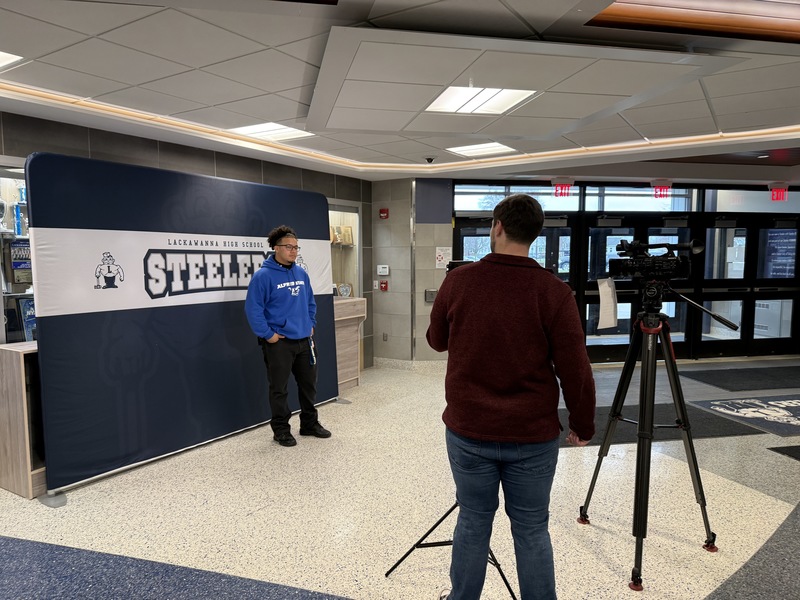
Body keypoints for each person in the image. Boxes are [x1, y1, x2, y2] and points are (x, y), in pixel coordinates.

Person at [426, 194, 595, 600]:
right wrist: (582, 424)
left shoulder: (459, 281)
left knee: (472, 522)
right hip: (532, 434)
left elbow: (436, 340)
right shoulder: (554, 292)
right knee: (532, 528)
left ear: (497, 227)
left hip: (469, 430)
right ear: (534, 234)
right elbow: (575, 369)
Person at [245, 225, 331, 447]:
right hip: (279, 343)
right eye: (289, 247)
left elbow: (310, 302)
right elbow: (253, 309)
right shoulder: (263, 276)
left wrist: (311, 323)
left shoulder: (301, 273)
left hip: (305, 341)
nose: (294, 251)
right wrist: (268, 335)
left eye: (296, 247)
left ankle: (309, 424)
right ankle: (281, 430)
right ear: (276, 248)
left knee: (309, 385)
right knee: (279, 389)